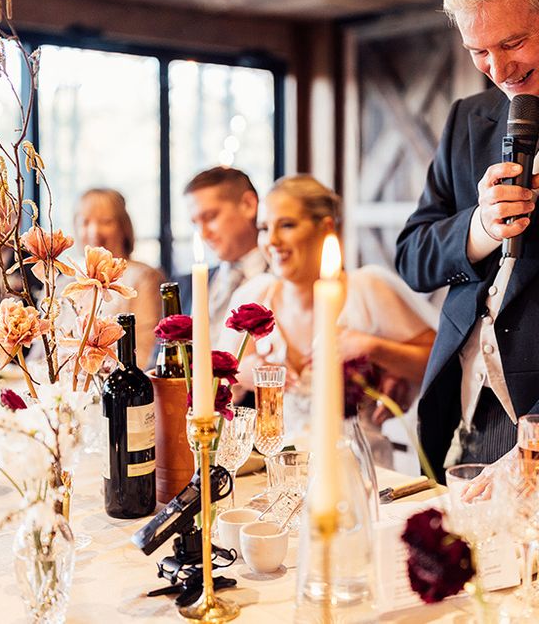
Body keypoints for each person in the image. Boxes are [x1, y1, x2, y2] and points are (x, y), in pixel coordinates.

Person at [396, 0, 539, 481]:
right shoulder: (467, 118)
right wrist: (480, 226)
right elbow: (412, 257)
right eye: (478, 50)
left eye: (513, 43)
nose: (499, 72)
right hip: (458, 409)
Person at [221, 175, 437, 465]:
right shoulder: (255, 296)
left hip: (361, 470)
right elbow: (218, 392)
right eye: (263, 228)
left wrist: (375, 348)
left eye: (286, 225)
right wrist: (244, 374)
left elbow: (439, 365)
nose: (271, 241)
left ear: (325, 228)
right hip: (280, 472)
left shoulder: (368, 289)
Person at [72, 188, 164, 365]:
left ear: (123, 227)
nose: (94, 231)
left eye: (105, 222)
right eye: (85, 222)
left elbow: (144, 354)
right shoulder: (65, 282)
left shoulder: (144, 278)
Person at [182, 166, 268, 345]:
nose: (203, 234)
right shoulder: (188, 286)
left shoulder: (281, 279)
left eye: (210, 217)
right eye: (196, 224)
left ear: (249, 205)